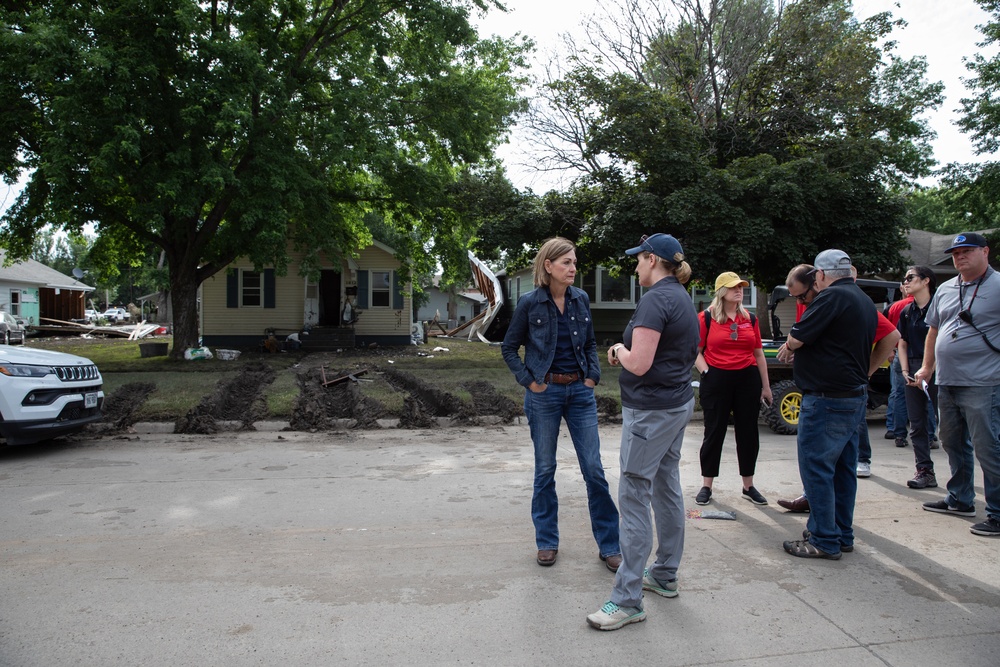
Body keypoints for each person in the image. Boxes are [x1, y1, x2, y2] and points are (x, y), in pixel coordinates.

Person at [586, 233, 699, 630]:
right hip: (675, 404)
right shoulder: (681, 296)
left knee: (634, 493)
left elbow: (639, 363)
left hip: (652, 412)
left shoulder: (656, 300)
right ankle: (664, 574)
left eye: (638, 259)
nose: (634, 266)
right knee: (666, 485)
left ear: (652, 259)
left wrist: (617, 349)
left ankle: (628, 598)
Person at [501, 237, 622, 568]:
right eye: (566, 262)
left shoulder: (580, 299)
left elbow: (591, 343)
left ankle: (610, 544)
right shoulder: (529, 303)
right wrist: (529, 381)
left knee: (594, 470)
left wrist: (592, 378)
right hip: (544, 395)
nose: (573, 267)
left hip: (580, 393)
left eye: (574, 261)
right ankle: (547, 541)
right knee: (545, 470)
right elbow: (509, 348)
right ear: (548, 266)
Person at [775, 249, 888, 559]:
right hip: (851, 396)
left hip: (827, 400)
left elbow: (797, 338)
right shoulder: (862, 299)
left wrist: (789, 345)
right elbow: (889, 336)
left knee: (817, 468)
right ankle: (841, 533)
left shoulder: (832, 297)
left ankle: (824, 539)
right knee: (842, 469)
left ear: (820, 275)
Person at [915, 232, 1000, 537]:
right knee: (952, 442)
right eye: (955, 253)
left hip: (984, 382)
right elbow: (934, 331)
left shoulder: (998, 285)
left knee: (988, 447)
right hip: (947, 380)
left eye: (967, 251)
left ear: (985, 251)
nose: (959, 256)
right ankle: (961, 498)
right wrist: (927, 367)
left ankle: (998, 513)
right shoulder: (947, 288)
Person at [693, 272, 772, 506]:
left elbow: (758, 353)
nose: (739, 290)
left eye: (741, 287)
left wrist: (765, 386)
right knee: (714, 431)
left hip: (747, 379)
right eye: (733, 287)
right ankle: (706, 485)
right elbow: (694, 350)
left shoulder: (751, 319)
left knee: (748, 433)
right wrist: (706, 372)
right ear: (721, 292)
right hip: (717, 378)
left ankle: (748, 485)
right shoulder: (706, 318)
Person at [897, 266, 939, 489]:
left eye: (910, 277)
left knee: (951, 425)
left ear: (926, 281)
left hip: (939, 368)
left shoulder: (940, 306)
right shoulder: (907, 311)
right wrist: (905, 371)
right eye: (904, 278)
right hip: (913, 367)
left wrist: (929, 367)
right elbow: (902, 342)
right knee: (917, 424)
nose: (905, 282)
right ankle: (924, 470)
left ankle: (961, 477)